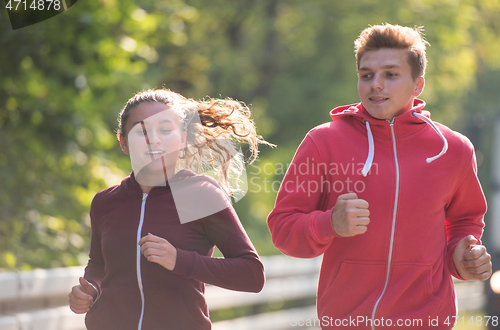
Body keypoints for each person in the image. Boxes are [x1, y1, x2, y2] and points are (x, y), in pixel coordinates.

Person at [267, 24, 492, 330]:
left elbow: (464, 222)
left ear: (417, 84)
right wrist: (329, 223)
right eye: (366, 75)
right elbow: (283, 229)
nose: (375, 84)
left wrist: (464, 255)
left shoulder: (452, 149)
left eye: (390, 74)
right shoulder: (324, 142)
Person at [68, 88, 270, 330]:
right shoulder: (106, 202)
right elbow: (99, 264)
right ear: (123, 142)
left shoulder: (199, 196)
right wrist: (90, 288)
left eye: (165, 130)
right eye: (141, 130)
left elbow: (252, 274)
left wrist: (180, 260)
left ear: (182, 139)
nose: (154, 139)